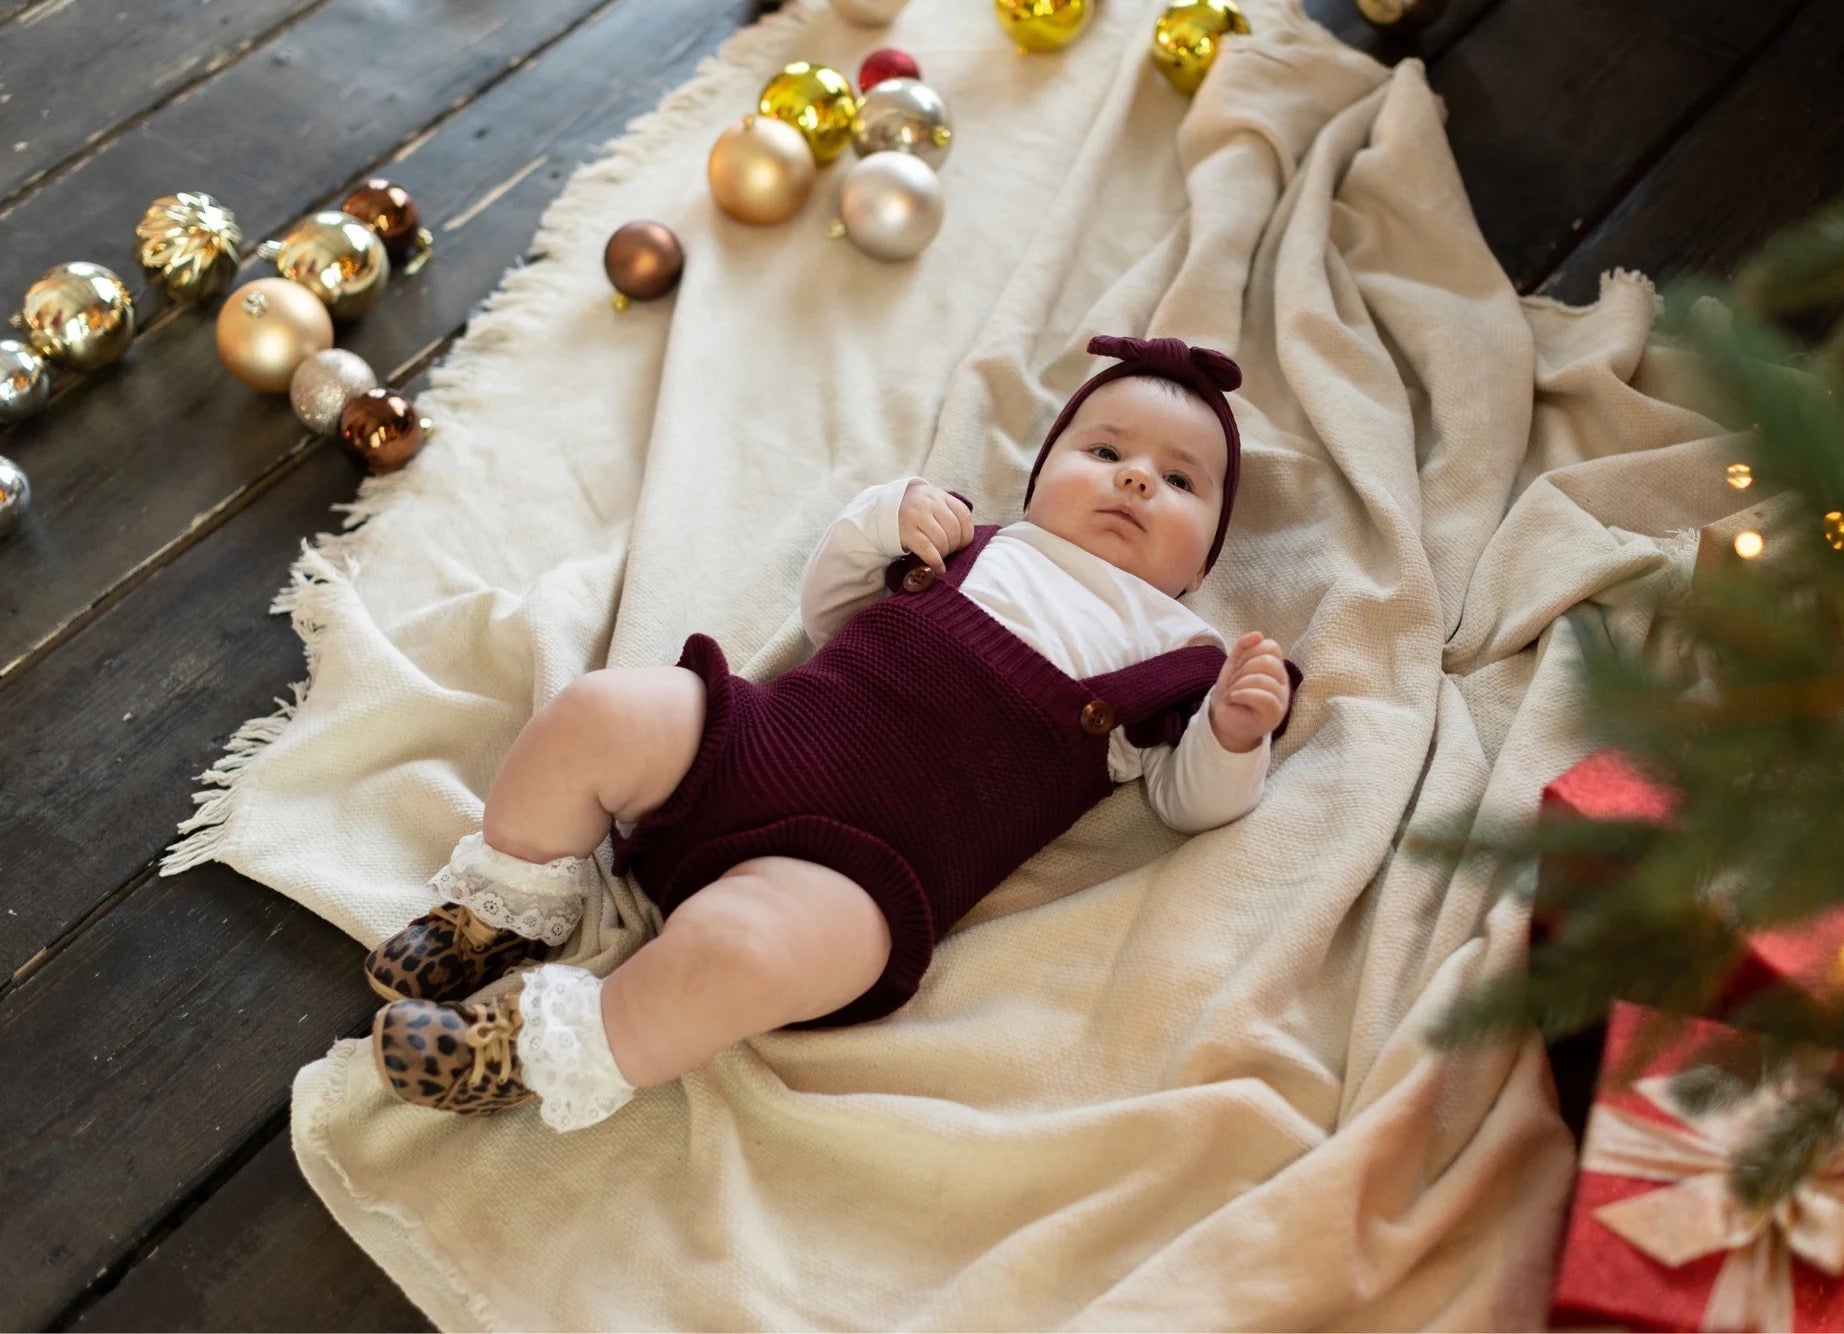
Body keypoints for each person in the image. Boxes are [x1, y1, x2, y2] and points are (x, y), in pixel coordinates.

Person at [364, 334, 1304, 1131]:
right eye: (1103, 452)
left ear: (1206, 554)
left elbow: (1189, 804)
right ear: (1044, 474)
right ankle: (504, 904)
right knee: (597, 712)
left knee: (738, 957)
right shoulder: (980, 544)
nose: (1136, 477)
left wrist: (1232, 731)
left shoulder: (1177, 653)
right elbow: (830, 615)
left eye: (1180, 481)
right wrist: (880, 522)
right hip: (753, 742)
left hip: (858, 873)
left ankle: (531, 1048)